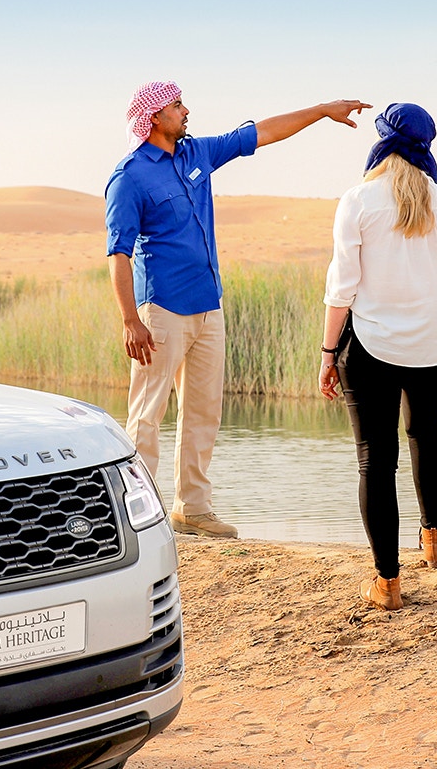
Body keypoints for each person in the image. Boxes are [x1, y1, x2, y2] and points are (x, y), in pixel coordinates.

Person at [106, 81, 370, 539]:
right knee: (147, 414)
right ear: (152, 118)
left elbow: (263, 133)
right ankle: (138, 517)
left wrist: (323, 109)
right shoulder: (129, 177)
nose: (186, 110)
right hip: (159, 311)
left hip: (209, 307)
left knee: (204, 411)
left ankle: (192, 508)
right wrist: (130, 319)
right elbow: (118, 254)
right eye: (176, 105)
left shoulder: (197, 154)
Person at [319, 103, 437, 610]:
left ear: (381, 143)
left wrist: (326, 353)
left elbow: (342, 288)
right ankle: (436, 544)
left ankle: (387, 585)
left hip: (372, 347)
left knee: (375, 461)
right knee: (426, 430)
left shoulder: (359, 200)